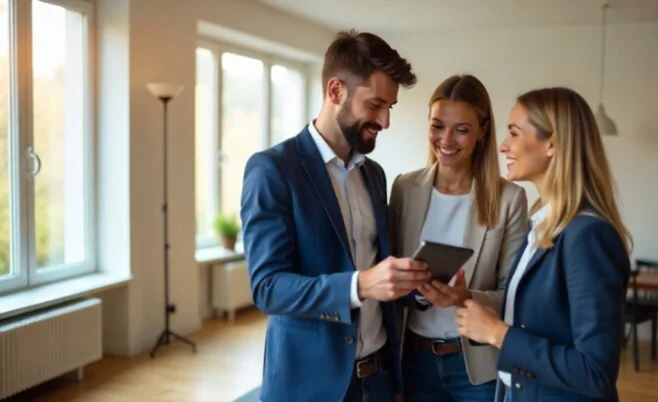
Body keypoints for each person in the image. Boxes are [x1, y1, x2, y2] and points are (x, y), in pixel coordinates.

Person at [240, 29, 427, 402]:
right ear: (336, 91)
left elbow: (378, 273)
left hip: (377, 379)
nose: (385, 121)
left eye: (390, 107)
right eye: (375, 105)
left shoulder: (374, 174)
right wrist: (358, 286)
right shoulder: (272, 169)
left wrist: (418, 286)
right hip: (309, 386)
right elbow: (268, 288)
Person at [454, 87, 633, 402]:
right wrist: (467, 300)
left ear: (552, 144)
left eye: (514, 133)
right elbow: (535, 318)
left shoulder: (587, 236)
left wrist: (497, 334)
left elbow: (596, 372)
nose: (502, 146)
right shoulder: (541, 225)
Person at [389, 74, 528, 401]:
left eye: (461, 129)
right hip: (414, 360)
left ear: (482, 132)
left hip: (475, 366)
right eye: (437, 125)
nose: (446, 139)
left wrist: (464, 297)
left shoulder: (509, 199)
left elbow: (515, 294)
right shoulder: (403, 189)